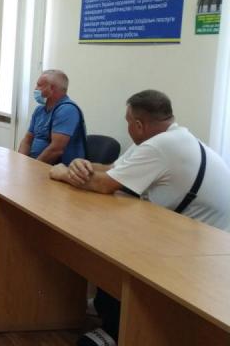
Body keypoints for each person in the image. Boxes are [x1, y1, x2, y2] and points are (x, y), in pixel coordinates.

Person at [50, 89, 230, 346]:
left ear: (138, 125)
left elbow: (104, 184)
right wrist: (81, 164)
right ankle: (108, 308)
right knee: (117, 229)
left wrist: (62, 172)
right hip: (189, 235)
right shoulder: (168, 138)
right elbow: (113, 170)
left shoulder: (162, 145)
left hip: (206, 252)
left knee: (117, 242)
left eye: (127, 122)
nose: (127, 128)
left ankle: (114, 326)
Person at [18, 69, 86, 165]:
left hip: (57, 169)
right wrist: (21, 162)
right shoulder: (39, 110)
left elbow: (56, 150)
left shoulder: (67, 110)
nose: (35, 89)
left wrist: (33, 167)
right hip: (34, 164)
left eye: (39, 85)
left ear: (52, 88)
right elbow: (27, 140)